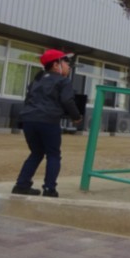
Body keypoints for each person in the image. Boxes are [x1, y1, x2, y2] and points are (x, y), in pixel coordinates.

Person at [12, 49, 82, 197]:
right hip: (48, 121)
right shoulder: (63, 81)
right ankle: (49, 189)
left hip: (29, 120)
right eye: (66, 62)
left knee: (36, 153)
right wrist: (76, 117)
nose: (69, 66)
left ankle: (21, 185)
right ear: (56, 65)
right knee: (53, 155)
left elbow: (28, 100)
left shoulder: (36, 80)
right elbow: (67, 100)